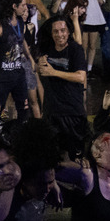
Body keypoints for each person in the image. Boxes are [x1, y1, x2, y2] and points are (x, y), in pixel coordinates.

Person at [37, 11, 88, 159]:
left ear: (69, 31)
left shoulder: (75, 49)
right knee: (52, 155)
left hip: (71, 112)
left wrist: (53, 72)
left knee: (75, 155)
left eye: (63, 30)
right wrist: (39, 65)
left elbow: (80, 76)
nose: (60, 35)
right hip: (52, 111)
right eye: (56, 31)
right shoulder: (47, 49)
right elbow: (40, 71)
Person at [0, 0, 34, 132]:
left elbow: (22, 40)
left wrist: (30, 58)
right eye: (23, 5)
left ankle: (17, 136)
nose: (25, 8)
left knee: (24, 108)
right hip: (2, 75)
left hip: (18, 73)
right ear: (14, 6)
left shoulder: (20, 22)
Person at [73, 0, 107, 74]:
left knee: (92, 46)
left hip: (95, 18)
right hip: (84, 17)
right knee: (83, 45)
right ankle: (82, 68)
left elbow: (101, 1)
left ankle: (89, 68)